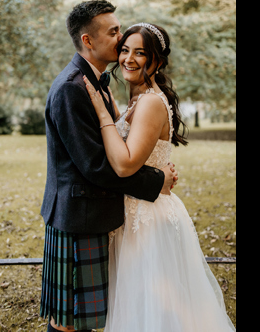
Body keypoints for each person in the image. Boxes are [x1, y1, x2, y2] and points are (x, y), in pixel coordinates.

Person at [85, 22, 235, 331]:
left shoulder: (151, 102)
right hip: (136, 212)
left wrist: (103, 116)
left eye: (140, 53)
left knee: (156, 313)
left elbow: (125, 165)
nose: (129, 58)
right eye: (124, 50)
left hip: (148, 219)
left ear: (158, 60)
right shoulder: (137, 98)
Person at [39, 0, 178, 332]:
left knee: (85, 320)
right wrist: (155, 181)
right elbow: (96, 166)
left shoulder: (98, 83)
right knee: (68, 323)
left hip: (93, 214)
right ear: (89, 41)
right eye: (114, 32)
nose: (121, 40)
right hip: (77, 218)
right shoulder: (73, 88)